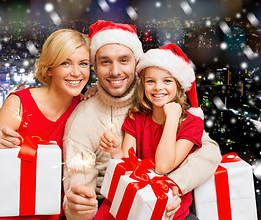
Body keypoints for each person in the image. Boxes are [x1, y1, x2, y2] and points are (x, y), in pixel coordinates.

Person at [63, 20, 222, 220]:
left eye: (123, 60)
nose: (115, 71)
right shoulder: (84, 119)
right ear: (95, 66)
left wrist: (171, 188)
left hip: (169, 202)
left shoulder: (156, 100)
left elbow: (209, 151)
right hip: (115, 202)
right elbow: (82, 186)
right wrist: (78, 207)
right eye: (105, 62)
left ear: (136, 63)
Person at [0, 28, 91, 220]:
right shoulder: (19, 104)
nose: (76, 72)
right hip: (0, 207)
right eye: (66, 63)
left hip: (47, 208)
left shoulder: (85, 108)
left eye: (84, 64)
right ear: (49, 69)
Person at [99, 44, 204, 219]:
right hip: (138, 201)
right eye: (150, 81)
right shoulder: (135, 118)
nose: (157, 87)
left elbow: (163, 166)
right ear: (143, 84)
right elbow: (126, 169)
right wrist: (115, 151)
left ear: (178, 85)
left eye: (167, 81)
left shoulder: (192, 124)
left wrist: (171, 119)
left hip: (172, 208)